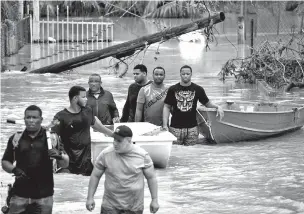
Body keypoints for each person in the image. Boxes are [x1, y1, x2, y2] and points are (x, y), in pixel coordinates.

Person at [1, 105, 69, 214]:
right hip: (19, 194)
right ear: (24, 119)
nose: (31, 120)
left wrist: (59, 156)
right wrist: (14, 170)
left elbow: (65, 163)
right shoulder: (16, 138)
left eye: (35, 117)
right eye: (28, 117)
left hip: (44, 196)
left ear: (41, 120)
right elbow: (5, 162)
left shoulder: (52, 138)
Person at [86, 125, 159, 214]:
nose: (115, 143)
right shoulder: (105, 154)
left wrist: (154, 200)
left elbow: (151, 178)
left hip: (134, 207)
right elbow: (95, 175)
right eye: (114, 139)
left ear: (129, 140)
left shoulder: (142, 156)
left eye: (119, 141)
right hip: (110, 206)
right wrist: (90, 198)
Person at [52, 86, 114, 176]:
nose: (86, 99)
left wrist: (113, 134)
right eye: (83, 97)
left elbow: (97, 126)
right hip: (69, 164)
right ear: (75, 98)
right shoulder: (60, 116)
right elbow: (53, 137)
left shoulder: (87, 111)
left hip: (86, 163)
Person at [162, 65, 224, 146]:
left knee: (191, 153)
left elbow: (207, 103)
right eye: (183, 74)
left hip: (192, 129)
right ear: (180, 74)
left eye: (187, 74)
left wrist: (217, 107)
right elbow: (167, 107)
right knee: (175, 152)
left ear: (191, 74)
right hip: (175, 128)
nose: (185, 76)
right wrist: (164, 125)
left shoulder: (198, 89)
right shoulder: (172, 89)